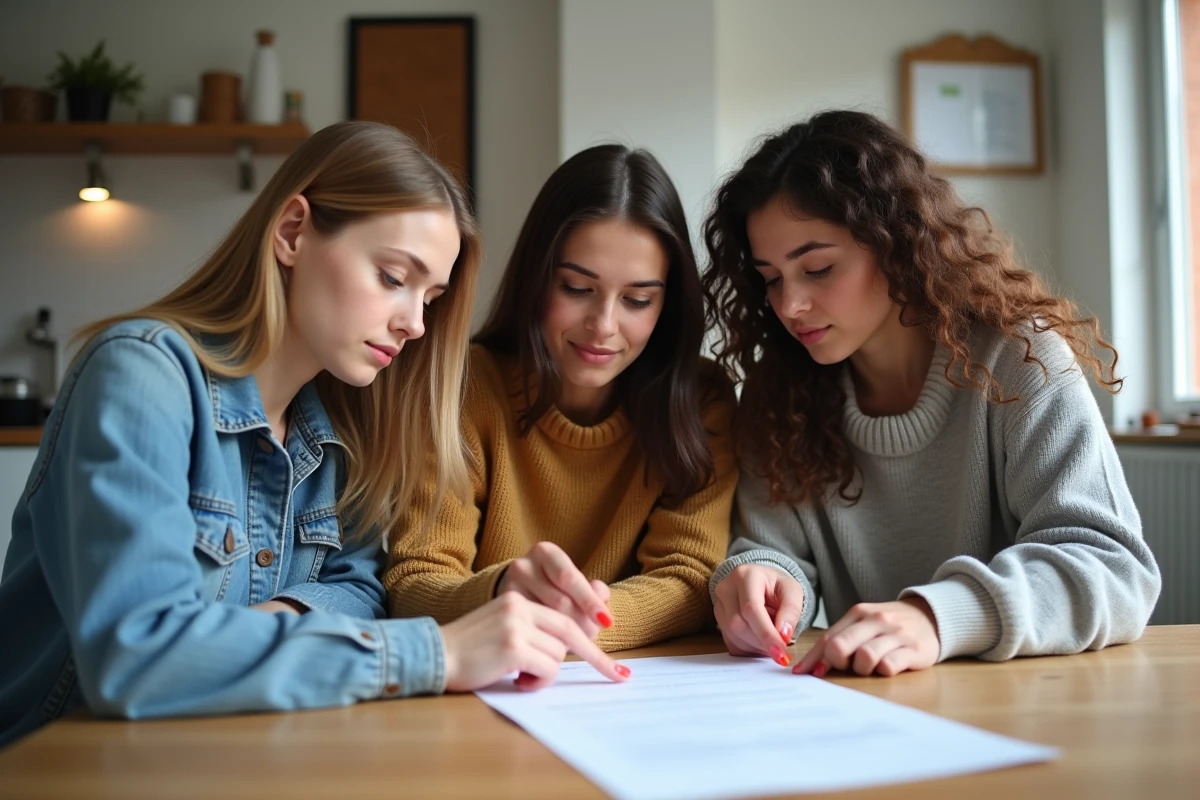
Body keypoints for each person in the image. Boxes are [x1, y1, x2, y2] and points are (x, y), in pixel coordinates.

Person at [0, 121, 624, 747]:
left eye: (430, 298)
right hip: (63, 764)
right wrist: (438, 653)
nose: (415, 324)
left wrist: (264, 628)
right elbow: (136, 654)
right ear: (293, 232)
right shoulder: (143, 375)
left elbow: (363, 590)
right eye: (392, 277)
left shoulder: (345, 428)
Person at [702, 110, 1161, 678]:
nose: (789, 305)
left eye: (817, 269)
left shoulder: (1019, 358)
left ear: (895, 246)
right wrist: (759, 577)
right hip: (865, 700)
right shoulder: (778, 392)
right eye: (771, 279)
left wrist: (938, 617)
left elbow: (1115, 570)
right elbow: (771, 549)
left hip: (1020, 696)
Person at [386, 144, 737, 652]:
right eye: (576, 288)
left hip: (629, 683)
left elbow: (691, 578)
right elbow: (414, 582)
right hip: (486, 680)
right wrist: (505, 594)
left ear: (668, 305)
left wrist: (577, 619)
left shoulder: (702, 402)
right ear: (538, 276)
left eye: (638, 300)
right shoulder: (461, 386)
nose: (604, 325)